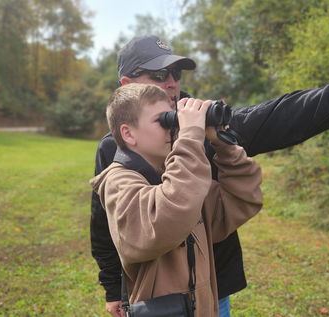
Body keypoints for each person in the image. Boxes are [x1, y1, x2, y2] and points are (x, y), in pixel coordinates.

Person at [90, 34, 329, 317]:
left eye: (176, 74)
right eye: (159, 75)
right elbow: (104, 224)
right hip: (154, 296)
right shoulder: (113, 151)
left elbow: (278, 117)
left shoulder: (202, 120)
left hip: (212, 285)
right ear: (127, 83)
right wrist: (112, 287)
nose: (172, 84)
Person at [90, 83, 263, 317]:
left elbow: (243, 197)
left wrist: (222, 143)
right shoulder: (118, 183)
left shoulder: (173, 178)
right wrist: (191, 136)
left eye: (173, 120)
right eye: (163, 121)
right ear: (128, 133)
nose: (172, 128)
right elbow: (163, 221)